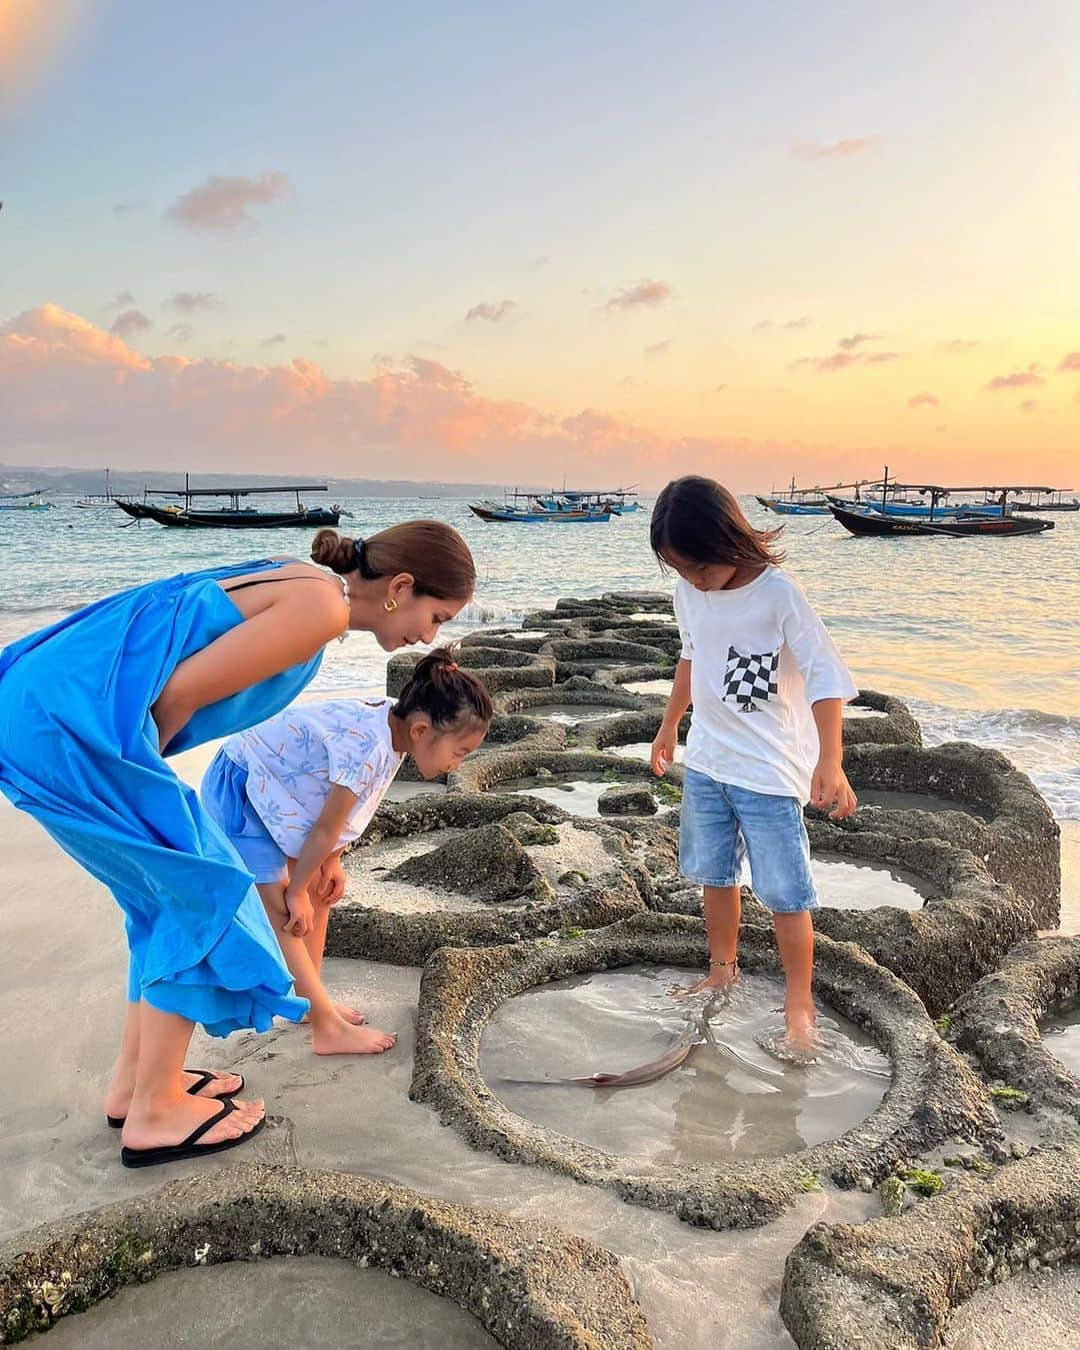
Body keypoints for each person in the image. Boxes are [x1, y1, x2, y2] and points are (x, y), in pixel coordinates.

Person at [0, 522, 475, 1167]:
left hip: (47, 704)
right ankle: (158, 1110)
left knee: (160, 903)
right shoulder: (321, 609)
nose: (431, 637)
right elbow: (177, 695)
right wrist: (146, 791)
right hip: (73, 722)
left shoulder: (308, 585)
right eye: (436, 615)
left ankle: (134, 1086)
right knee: (204, 892)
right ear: (400, 588)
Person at [648, 476, 857, 1050]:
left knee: (786, 892)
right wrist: (670, 727)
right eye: (680, 569)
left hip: (769, 772)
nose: (693, 580)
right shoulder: (690, 594)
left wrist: (830, 761)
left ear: (727, 540)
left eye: (699, 566)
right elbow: (690, 657)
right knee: (714, 874)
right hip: (710, 763)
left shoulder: (777, 593)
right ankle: (722, 968)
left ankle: (799, 1001)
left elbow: (824, 677)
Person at [200, 647, 492, 1055]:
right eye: (459, 752)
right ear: (422, 730)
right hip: (244, 786)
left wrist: (330, 863)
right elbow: (324, 826)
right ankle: (325, 1026)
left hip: (282, 786)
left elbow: (338, 805)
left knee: (322, 888)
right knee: (285, 910)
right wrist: (296, 889)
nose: (458, 765)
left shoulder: (395, 725)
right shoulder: (370, 749)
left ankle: (309, 1000)